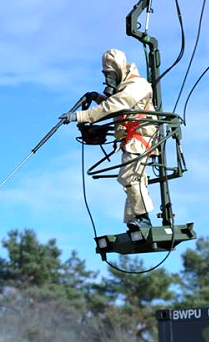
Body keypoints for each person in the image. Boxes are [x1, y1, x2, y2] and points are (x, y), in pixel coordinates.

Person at [61, 49, 158, 230]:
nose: (109, 79)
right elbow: (114, 105)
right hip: (131, 139)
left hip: (140, 137)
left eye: (111, 75)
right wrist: (97, 98)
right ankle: (135, 220)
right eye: (106, 75)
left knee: (129, 177)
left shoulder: (137, 85)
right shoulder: (126, 87)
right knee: (132, 179)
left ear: (120, 70)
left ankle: (143, 219)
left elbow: (114, 105)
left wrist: (80, 116)